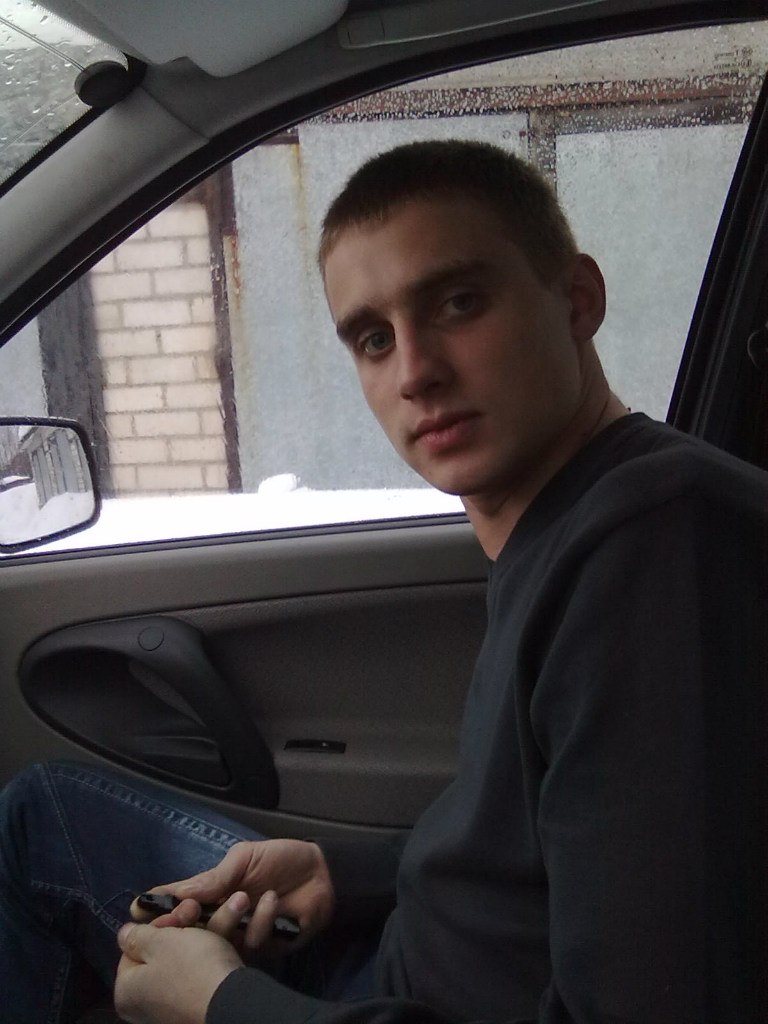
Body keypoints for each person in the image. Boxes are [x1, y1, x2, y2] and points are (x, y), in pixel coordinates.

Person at [1, 140, 766, 1024]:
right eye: (373, 338)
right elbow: (533, 856)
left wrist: (219, 1002)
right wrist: (342, 874)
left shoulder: (660, 550)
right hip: (395, 957)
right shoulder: (572, 521)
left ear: (577, 300)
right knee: (41, 814)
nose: (415, 372)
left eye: (459, 302)